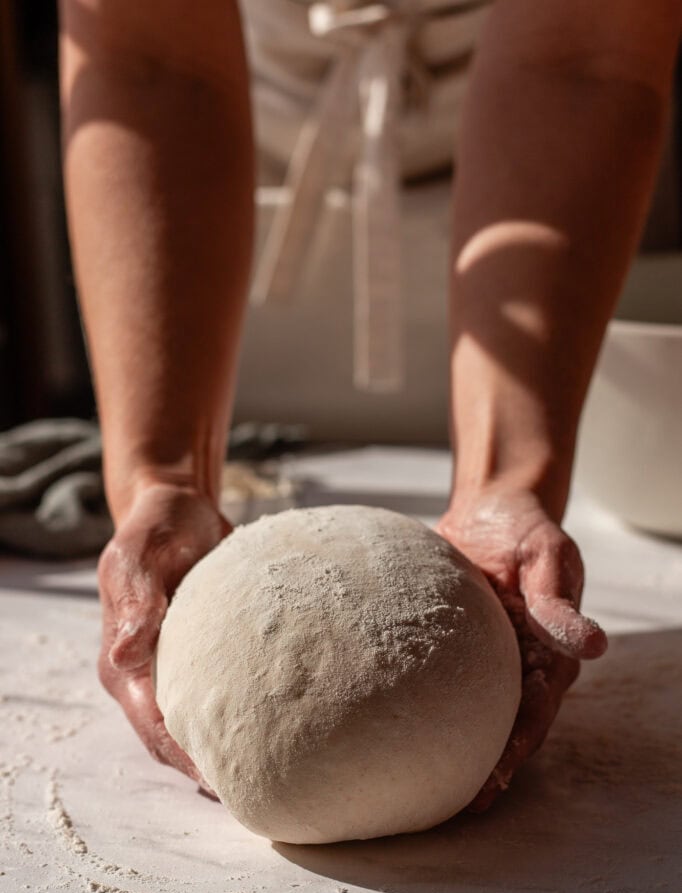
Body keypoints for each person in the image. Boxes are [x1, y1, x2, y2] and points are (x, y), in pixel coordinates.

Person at [56, 0, 680, 807]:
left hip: (553, 182)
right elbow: (148, 57)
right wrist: (162, 477)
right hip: (237, 165)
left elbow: (578, 60)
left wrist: (508, 481)